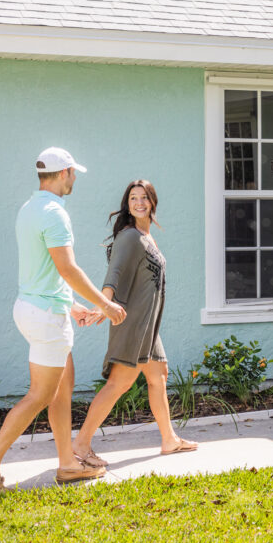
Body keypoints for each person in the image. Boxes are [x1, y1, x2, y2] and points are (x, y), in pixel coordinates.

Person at [0, 147, 126, 494]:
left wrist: (71, 307)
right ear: (65, 172)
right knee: (40, 395)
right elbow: (67, 268)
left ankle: (68, 464)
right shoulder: (54, 213)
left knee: (61, 390)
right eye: (73, 173)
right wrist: (105, 305)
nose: (75, 179)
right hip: (45, 316)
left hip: (34, 307)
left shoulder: (29, 208)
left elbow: (44, 271)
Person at [71, 179, 197, 467]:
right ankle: (81, 443)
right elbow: (114, 274)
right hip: (132, 323)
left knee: (158, 376)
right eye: (133, 198)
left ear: (152, 202)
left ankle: (169, 440)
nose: (139, 203)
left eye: (144, 198)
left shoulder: (145, 235)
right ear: (127, 205)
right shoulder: (129, 236)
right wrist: (103, 306)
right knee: (119, 383)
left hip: (148, 325)